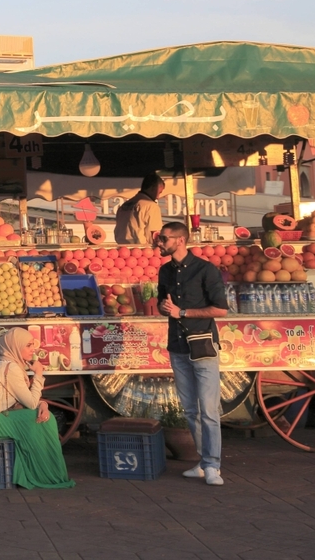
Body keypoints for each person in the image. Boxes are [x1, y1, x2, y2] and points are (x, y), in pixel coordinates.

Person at [156, 220, 227, 486]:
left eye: (163, 239)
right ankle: (203, 460)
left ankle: (212, 465)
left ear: (180, 240)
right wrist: (165, 308)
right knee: (190, 410)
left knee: (209, 409)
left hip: (203, 344)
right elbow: (165, 303)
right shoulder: (164, 271)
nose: (159, 243)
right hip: (177, 345)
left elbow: (221, 309)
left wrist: (182, 312)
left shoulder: (206, 270)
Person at [0, 327, 74, 489]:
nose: (32, 349)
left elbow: (25, 402)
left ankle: (32, 470)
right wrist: (39, 374)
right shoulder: (11, 368)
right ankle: (48, 475)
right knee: (44, 421)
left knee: (37, 416)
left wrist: (43, 404)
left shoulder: (4, 362)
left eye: (32, 345)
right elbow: (31, 403)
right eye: (27, 345)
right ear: (14, 347)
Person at [115, 174, 165, 245]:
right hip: (141, 250)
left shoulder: (124, 205)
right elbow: (154, 235)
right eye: (159, 192)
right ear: (153, 188)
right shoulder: (151, 206)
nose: (158, 197)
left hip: (121, 249)